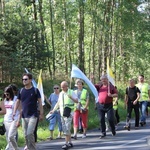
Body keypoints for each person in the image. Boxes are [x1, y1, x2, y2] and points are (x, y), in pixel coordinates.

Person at [13, 73, 44, 150]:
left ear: (30, 80)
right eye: (23, 79)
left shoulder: (35, 90)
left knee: (30, 133)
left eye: (26, 79)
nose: (24, 81)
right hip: (24, 115)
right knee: (26, 135)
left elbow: (40, 102)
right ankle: (30, 148)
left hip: (33, 115)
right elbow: (17, 101)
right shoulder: (21, 91)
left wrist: (41, 113)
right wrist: (14, 112)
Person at [50, 81, 78, 150]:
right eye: (61, 87)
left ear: (67, 86)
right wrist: (53, 110)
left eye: (63, 87)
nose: (62, 88)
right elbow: (58, 103)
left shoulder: (71, 92)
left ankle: (66, 143)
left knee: (67, 128)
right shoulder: (61, 93)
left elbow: (77, 101)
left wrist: (71, 97)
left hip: (69, 113)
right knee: (65, 127)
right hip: (62, 113)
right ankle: (70, 142)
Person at [91, 74, 118, 138]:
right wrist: (92, 79)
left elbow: (116, 94)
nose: (103, 81)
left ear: (107, 80)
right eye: (102, 80)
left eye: (105, 79)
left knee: (110, 119)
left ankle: (113, 130)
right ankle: (103, 133)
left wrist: (111, 95)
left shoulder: (110, 86)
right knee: (101, 119)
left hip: (109, 106)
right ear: (101, 80)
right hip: (100, 105)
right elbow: (92, 86)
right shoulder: (99, 86)